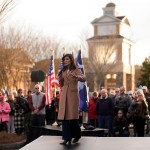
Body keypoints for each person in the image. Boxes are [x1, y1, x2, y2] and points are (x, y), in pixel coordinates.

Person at [58, 53, 86, 145]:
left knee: (72, 118)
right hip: (64, 95)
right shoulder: (63, 71)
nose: (65, 61)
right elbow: (61, 84)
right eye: (64, 59)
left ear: (71, 60)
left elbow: (84, 78)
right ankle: (67, 138)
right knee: (64, 117)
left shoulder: (76, 69)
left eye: (67, 59)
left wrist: (77, 77)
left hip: (73, 95)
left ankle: (77, 135)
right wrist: (59, 77)